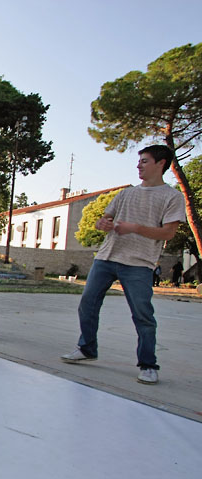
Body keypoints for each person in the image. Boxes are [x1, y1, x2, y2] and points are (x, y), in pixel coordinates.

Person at [60, 145, 186, 385]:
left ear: (161, 164)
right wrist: (103, 224)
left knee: (142, 314)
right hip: (106, 257)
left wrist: (135, 228)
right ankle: (87, 348)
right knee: (87, 304)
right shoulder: (126, 193)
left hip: (139, 263)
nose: (139, 165)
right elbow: (102, 221)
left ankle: (148, 364)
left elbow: (169, 232)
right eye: (138, 161)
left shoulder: (172, 196)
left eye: (145, 161)